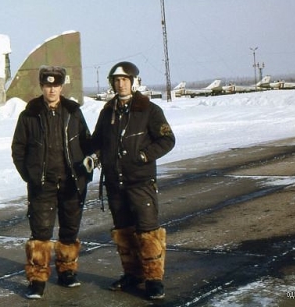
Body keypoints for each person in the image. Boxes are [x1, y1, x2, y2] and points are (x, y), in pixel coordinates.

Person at [91, 61, 175, 300]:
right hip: (115, 184)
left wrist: (144, 155)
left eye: (125, 80)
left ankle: (153, 279)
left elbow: (167, 140)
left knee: (147, 231)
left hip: (141, 182)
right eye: (116, 81)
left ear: (134, 82)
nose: (121, 84)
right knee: (124, 231)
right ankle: (133, 274)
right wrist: (95, 156)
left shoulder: (149, 109)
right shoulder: (107, 111)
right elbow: (98, 140)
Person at [11, 65, 93, 299]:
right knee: (40, 232)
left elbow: (87, 143)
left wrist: (87, 167)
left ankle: (67, 272)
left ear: (61, 86)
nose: (52, 90)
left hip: (71, 183)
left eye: (56, 85)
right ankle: (37, 280)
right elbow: (18, 150)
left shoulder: (73, 111)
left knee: (69, 229)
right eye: (48, 85)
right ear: (42, 87)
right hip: (43, 185)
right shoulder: (29, 114)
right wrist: (31, 176)